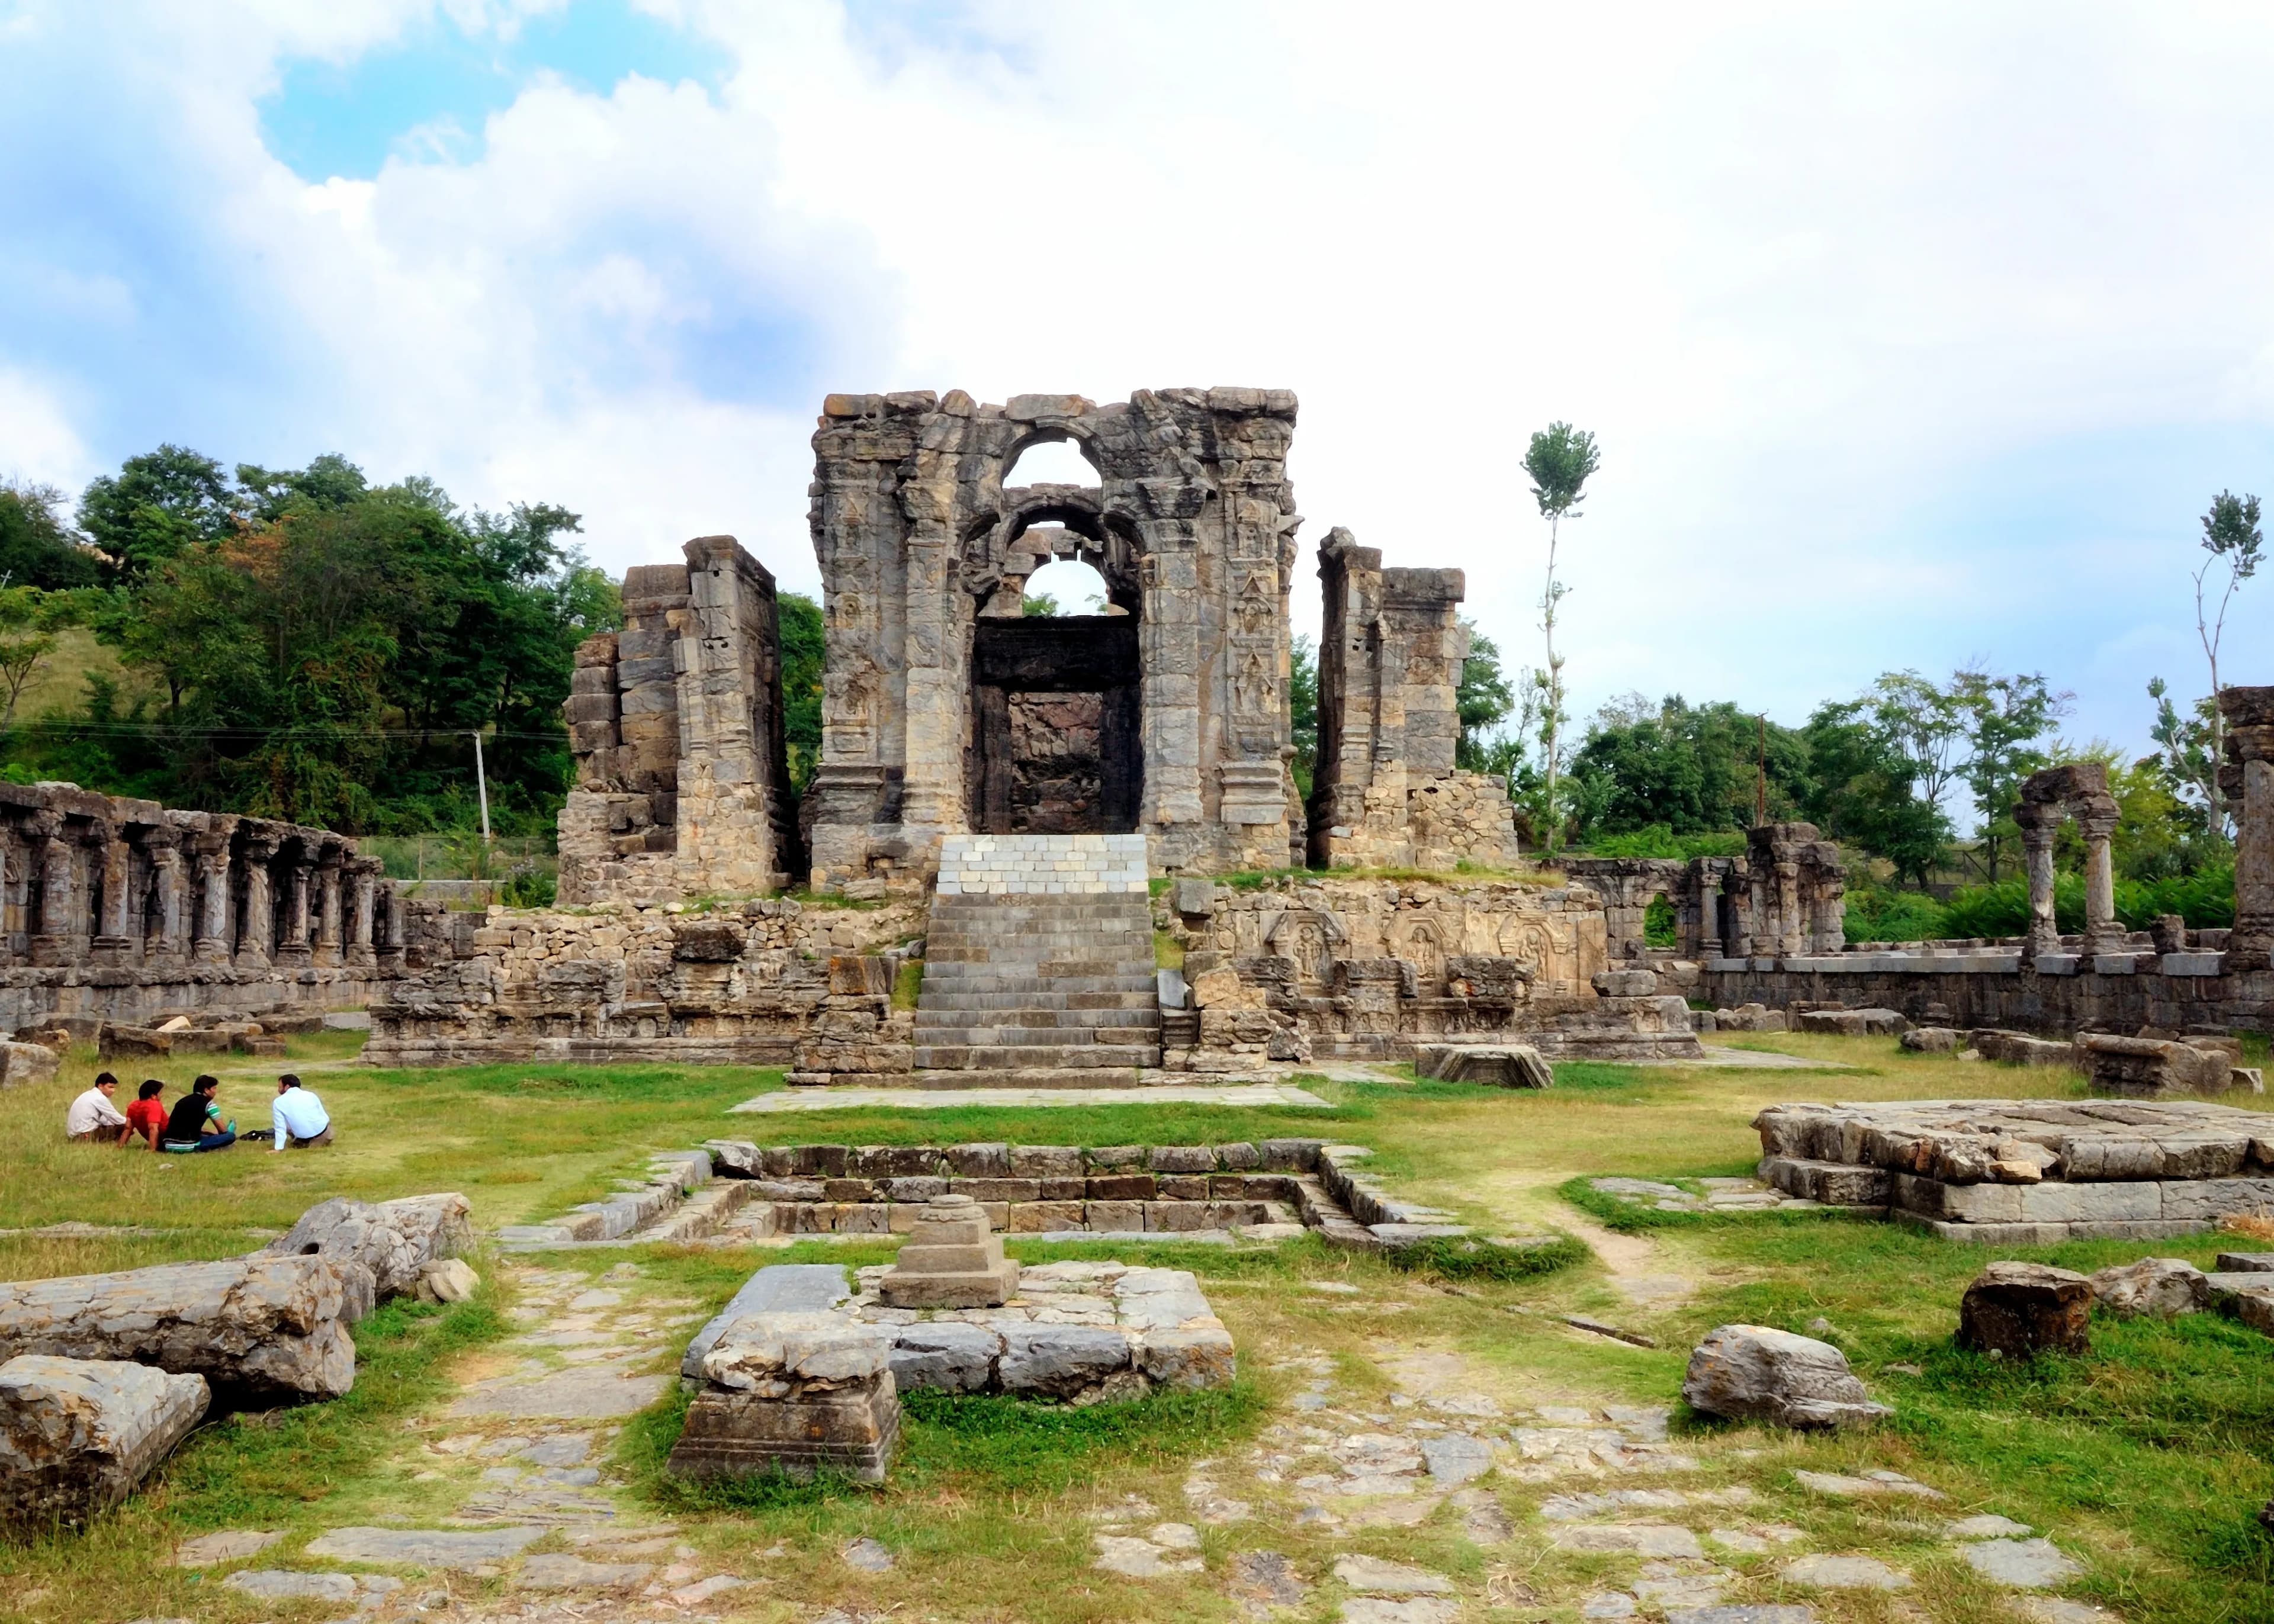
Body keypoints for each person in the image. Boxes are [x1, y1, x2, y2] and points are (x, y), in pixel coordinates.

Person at [161, 1075, 236, 1152]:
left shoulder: (181, 1101)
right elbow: (222, 1131)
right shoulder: (210, 1105)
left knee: (207, 1134)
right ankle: (231, 1129)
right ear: (206, 1090)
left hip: (168, 1145)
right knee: (230, 1136)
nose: (215, 1092)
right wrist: (227, 1132)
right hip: (188, 1145)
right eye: (214, 1088)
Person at [270, 1073, 332, 1150]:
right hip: (326, 1135)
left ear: (287, 1087)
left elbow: (280, 1127)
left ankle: (304, 1141)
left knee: (286, 1122)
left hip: (307, 1139)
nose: (278, 1090)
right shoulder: (311, 1095)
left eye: (280, 1087)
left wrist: (278, 1149)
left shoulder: (278, 1102)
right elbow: (323, 1116)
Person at [65, 1072, 130, 1143]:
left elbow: (105, 1120)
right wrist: (132, 1122)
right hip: (85, 1136)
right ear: (100, 1086)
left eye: (114, 1088)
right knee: (124, 1127)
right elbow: (116, 1119)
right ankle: (120, 1146)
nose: (113, 1091)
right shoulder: (100, 1098)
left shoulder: (88, 1095)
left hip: (74, 1137)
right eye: (110, 1087)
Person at [124, 1079, 168, 1150]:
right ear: (153, 1096)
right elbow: (153, 1128)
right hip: (168, 1139)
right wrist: (152, 1149)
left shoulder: (133, 1105)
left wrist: (120, 1145)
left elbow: (128, 1128)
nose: (162, 1095)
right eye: (160, 1093)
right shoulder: (154, 1105)